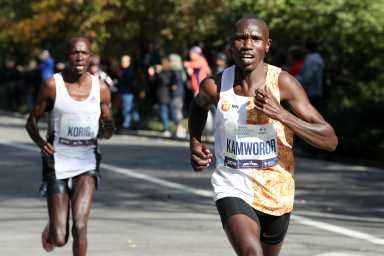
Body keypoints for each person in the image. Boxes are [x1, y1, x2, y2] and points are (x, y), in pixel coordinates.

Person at [188, 16, 338, 256]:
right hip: (232, 184)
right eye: (240, 38)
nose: (247, 45)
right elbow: (198, 107)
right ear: (231, 45)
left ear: (267, 45)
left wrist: (281, 114)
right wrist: (195, 143)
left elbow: (329, 140)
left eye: (255, 39)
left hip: (276, 190)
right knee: (250, 252)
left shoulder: (284, 84)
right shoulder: (215, 86)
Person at [25, 36, 114, 255]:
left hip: (87, 161)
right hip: (57, 161)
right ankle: (52, 229)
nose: (80, 57)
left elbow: (108, 132)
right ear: (67, 56)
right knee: (60, 237)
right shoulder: (52, 86)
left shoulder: (100, 88)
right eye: (75, 52)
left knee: (80, 225)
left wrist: (108, 123)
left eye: (84, 53)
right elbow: (31, 122)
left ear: (90, 57)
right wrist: (41, 143)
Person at [295, 40, 325, 111]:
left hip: (311, 93)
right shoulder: (318, 58)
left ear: (306, 48)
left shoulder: (311, 59)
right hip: (317, 91)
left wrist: (294, 78)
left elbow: (307, 78)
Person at [117, 54, 140, 129]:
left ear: (129, 62)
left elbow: (129, 83)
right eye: (122, 61)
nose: (122, 63)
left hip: (128, 93)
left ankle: (126, 125)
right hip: (126, 92)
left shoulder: (129, 72)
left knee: (127, 109)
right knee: (132, 109)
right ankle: (137, 123)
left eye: (124, 61)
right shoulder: (124, 71)